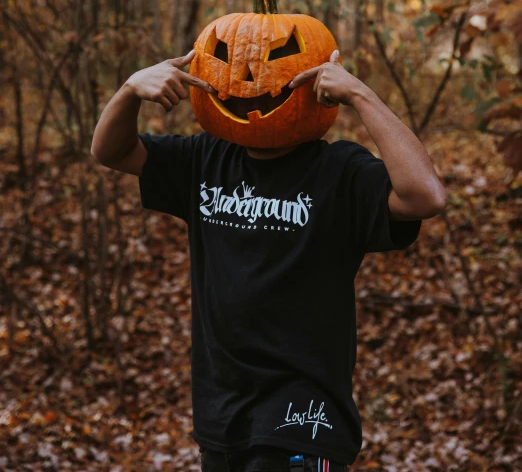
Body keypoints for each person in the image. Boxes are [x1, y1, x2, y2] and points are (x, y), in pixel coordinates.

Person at [91, 48, 447, 472]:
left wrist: (359, 93)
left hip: (304, 416)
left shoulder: (340, 172)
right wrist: (131, 89)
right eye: (228, 59)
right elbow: (111, 152)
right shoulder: (204, 160)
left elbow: (426, 196)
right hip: (220, 415)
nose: (248, 81)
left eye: (279, 58)